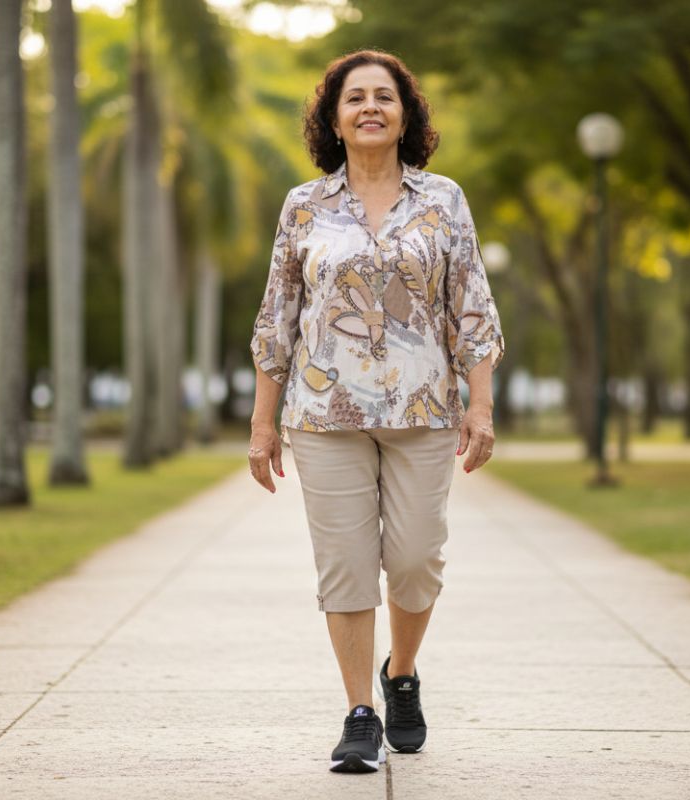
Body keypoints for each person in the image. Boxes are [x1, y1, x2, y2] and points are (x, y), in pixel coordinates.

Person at [249, 49, 504, 774]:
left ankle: (402, 675)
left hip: (424, 410)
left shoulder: (443, 200)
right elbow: (279, 320)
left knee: (417, 559)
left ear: (404, 115)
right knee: (345, 565)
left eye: (383, 97)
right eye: (354, 97)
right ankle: (359, 711)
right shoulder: (304, 205)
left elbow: (472, 311)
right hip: (324, 416)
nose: (369, 107)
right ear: (333, 117)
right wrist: (264, 426)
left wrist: (479, 407)